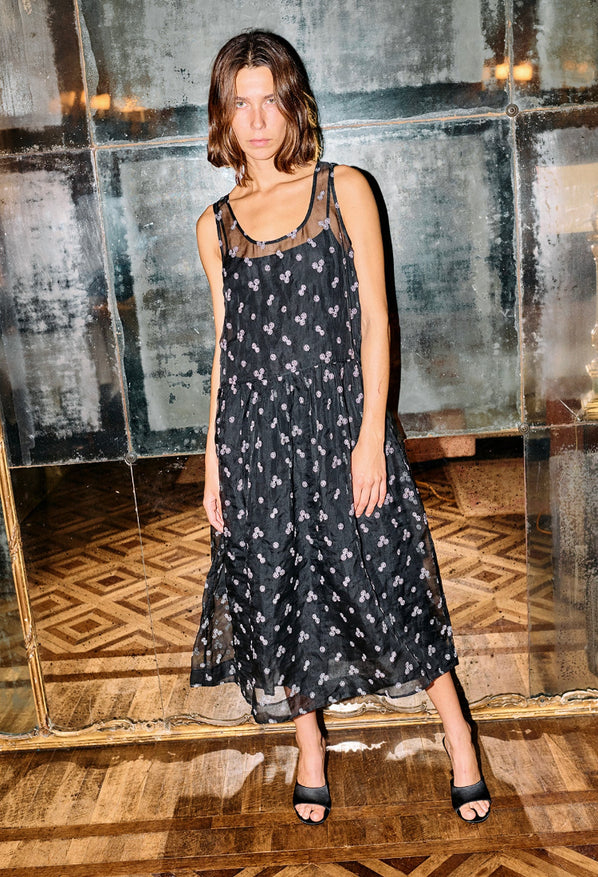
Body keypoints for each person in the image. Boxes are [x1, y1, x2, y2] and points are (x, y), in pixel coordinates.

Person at [191, 29, 491, 827]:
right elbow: (226, 348)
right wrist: (214, 460)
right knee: (275, 588)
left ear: (294, 105)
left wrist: (369, 437)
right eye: (240, 102)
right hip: (255, 441)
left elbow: (376, 325)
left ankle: (461, 737)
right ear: (223, 113)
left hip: (338, 430)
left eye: (270, 100)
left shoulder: (343, 190)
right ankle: (309, 745)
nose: (257, 120)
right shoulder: (215, 225)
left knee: (385, 581)